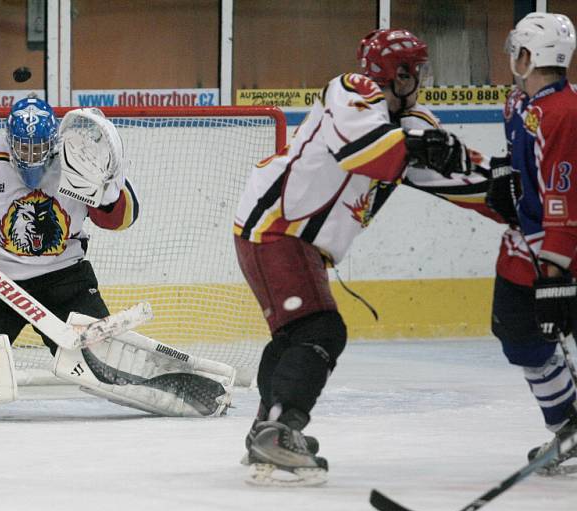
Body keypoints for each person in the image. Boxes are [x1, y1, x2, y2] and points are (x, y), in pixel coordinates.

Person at [234, 28, 501, 486]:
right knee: (319, 328)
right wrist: (424, 147)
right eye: (417, 70)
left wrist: (515, 195)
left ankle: (268, 427)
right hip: (277, 229)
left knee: (293, 335)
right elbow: (362, 151)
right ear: (398, 74)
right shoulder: (353, 91)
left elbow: (455, 180)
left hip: (291, 238)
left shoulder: (409, 124)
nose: (422, 79)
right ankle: (278, 433)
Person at [0, 96, 139, 354]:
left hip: (65, 280)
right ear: (8, 141)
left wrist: (109, 201)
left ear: (54, 142)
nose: (32, 156)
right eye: (23, 147)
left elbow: (122, 220)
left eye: (39, 147)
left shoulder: (79, 158)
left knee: (103, 362)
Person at [486, 12, 577, 474]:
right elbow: (520, 155)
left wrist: (555, 271)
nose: (511, 62)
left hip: (560, 248)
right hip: (524, 242)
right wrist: (504, 169)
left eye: (515, 53)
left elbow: (562, 194)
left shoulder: (565, 114)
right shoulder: (518, 103)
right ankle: (568, 426)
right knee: (516, 331)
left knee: (552, 321)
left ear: (529, 56)